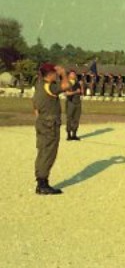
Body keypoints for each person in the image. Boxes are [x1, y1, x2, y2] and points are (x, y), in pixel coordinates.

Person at [32, 63, 71, 195]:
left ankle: (40, 180)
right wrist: (63, 74)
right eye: (55, 73)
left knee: (42, 150)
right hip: (50, 124)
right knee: (49, 152)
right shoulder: (50, 86)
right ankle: (43, 183)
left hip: (42, 121)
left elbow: (35, 105)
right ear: (51, 74)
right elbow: (67, 86)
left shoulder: (39, 84)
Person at [65, 70, 84, 141]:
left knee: (76, 119)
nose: (73, 75)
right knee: (69, 118)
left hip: (78, 102)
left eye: (74, 74)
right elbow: (66, 93)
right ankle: (69, 134)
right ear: (69, 75)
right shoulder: (67, 83)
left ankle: (74, 134)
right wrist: (75, 92)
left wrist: (82, 86)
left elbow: (82, 93)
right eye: (72, 74)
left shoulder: (78, 83)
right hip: (70, 102)